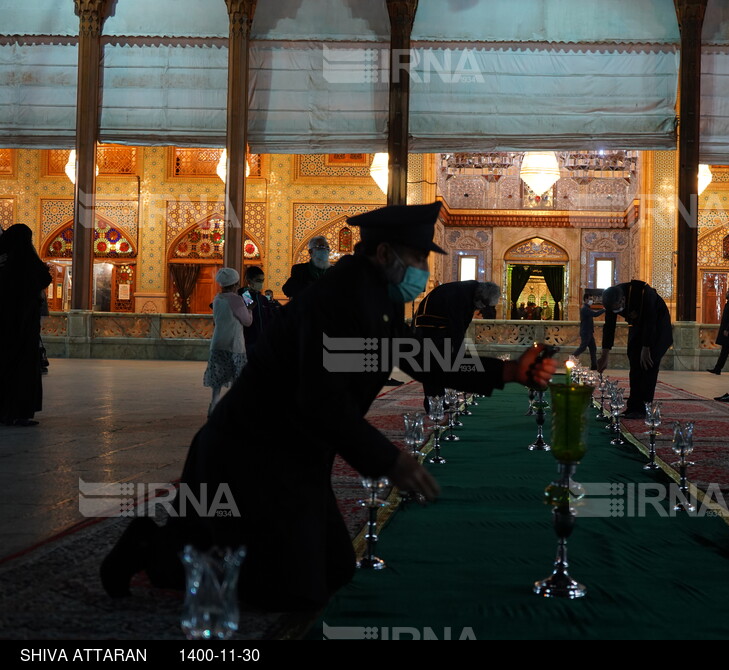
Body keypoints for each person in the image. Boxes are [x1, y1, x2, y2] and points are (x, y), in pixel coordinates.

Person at [100, 202, 555, 611]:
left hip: (294, 455)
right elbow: (319, 398)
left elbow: (415, 353)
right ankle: (151, 548)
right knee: (289, 591)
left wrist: (506, 372)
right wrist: (389, 460)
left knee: (333, 569)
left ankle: (190, 537)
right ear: (384, 255)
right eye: (416, 259)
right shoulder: (338, 299)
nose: (422, 270)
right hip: (251, 453)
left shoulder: (378, 299)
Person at [413, 279, 501, 410]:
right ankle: (432, 405)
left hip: (441, 328)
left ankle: (439, 402)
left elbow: (464, 323)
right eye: (482, 305)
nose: (480, 308)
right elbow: (457, 326)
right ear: (482, 296)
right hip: (429, 327)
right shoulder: (461, 295)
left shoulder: (472, 293)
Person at [0, 224, 52, 426]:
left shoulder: (4, 262)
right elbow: (43, 277)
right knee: (21, 370)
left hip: (4, 328)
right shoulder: (25, 262)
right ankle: (19, 412)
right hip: (22, 328)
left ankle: (4, 411)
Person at [597, 280, 673, 419]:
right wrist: (605, 355)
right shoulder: (612, 299)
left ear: (623, 299)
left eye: (618, 307)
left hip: (659, 327)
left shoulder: (644, 293)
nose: (617, 311)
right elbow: (609, 327)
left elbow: (650, 321)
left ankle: (644, 408)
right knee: (634, 360)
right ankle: (633, 407)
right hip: (638, 326)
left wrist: (646, 347)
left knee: (648, 364)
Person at [204, 267, 253, 417]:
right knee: (236, 378)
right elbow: (247, 322)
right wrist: (249, 307)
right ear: (235, 284)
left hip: (218, 342)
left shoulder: (217, 299)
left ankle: (214, 405)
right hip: (234, 344)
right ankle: (233, 408)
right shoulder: (237, 299)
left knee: (217, 379)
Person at [238, 265, 278, 355]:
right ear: (249, 281)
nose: (261, 283)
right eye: (258, 281)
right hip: (248, 341)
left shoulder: (263, 299)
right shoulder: (245, 295)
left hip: (262, 341)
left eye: (262, 281)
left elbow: (269, 318)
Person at [281, 235, 331, 300]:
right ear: (310, 251)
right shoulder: (300, 270)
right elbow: (288, 290)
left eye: (327, 248)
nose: (325, 250)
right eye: (321, 247)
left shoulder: (334, 271)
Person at [572, 293, 605, 370]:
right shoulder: (585, 309)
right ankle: (570, 358)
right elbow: (595, 314)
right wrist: (604, 310)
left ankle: (594, 366)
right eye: (590, 299)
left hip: (589, 332)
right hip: (586, 332)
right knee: (583, 347)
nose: (592, 301)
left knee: (593, 349)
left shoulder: (587, 308)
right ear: (586, 299)